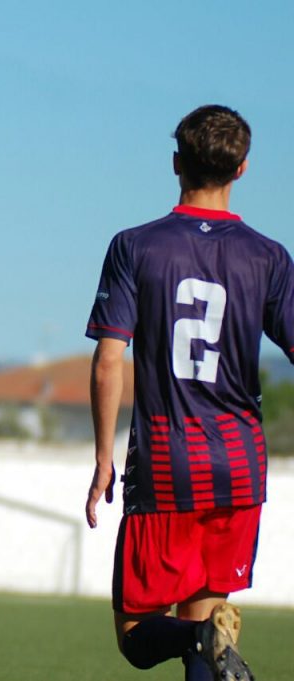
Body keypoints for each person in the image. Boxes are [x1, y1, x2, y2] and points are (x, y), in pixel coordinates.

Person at [85, 105, 291, 681]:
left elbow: (108, 360)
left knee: (137, 637)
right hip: (241, 463)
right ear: (242, 169)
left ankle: (198, 635)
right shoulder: (269, 256)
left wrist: (103, 457)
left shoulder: (136, 246)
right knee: (207, 624)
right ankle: (203, 633)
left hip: (167, 459)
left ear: (176, 163)